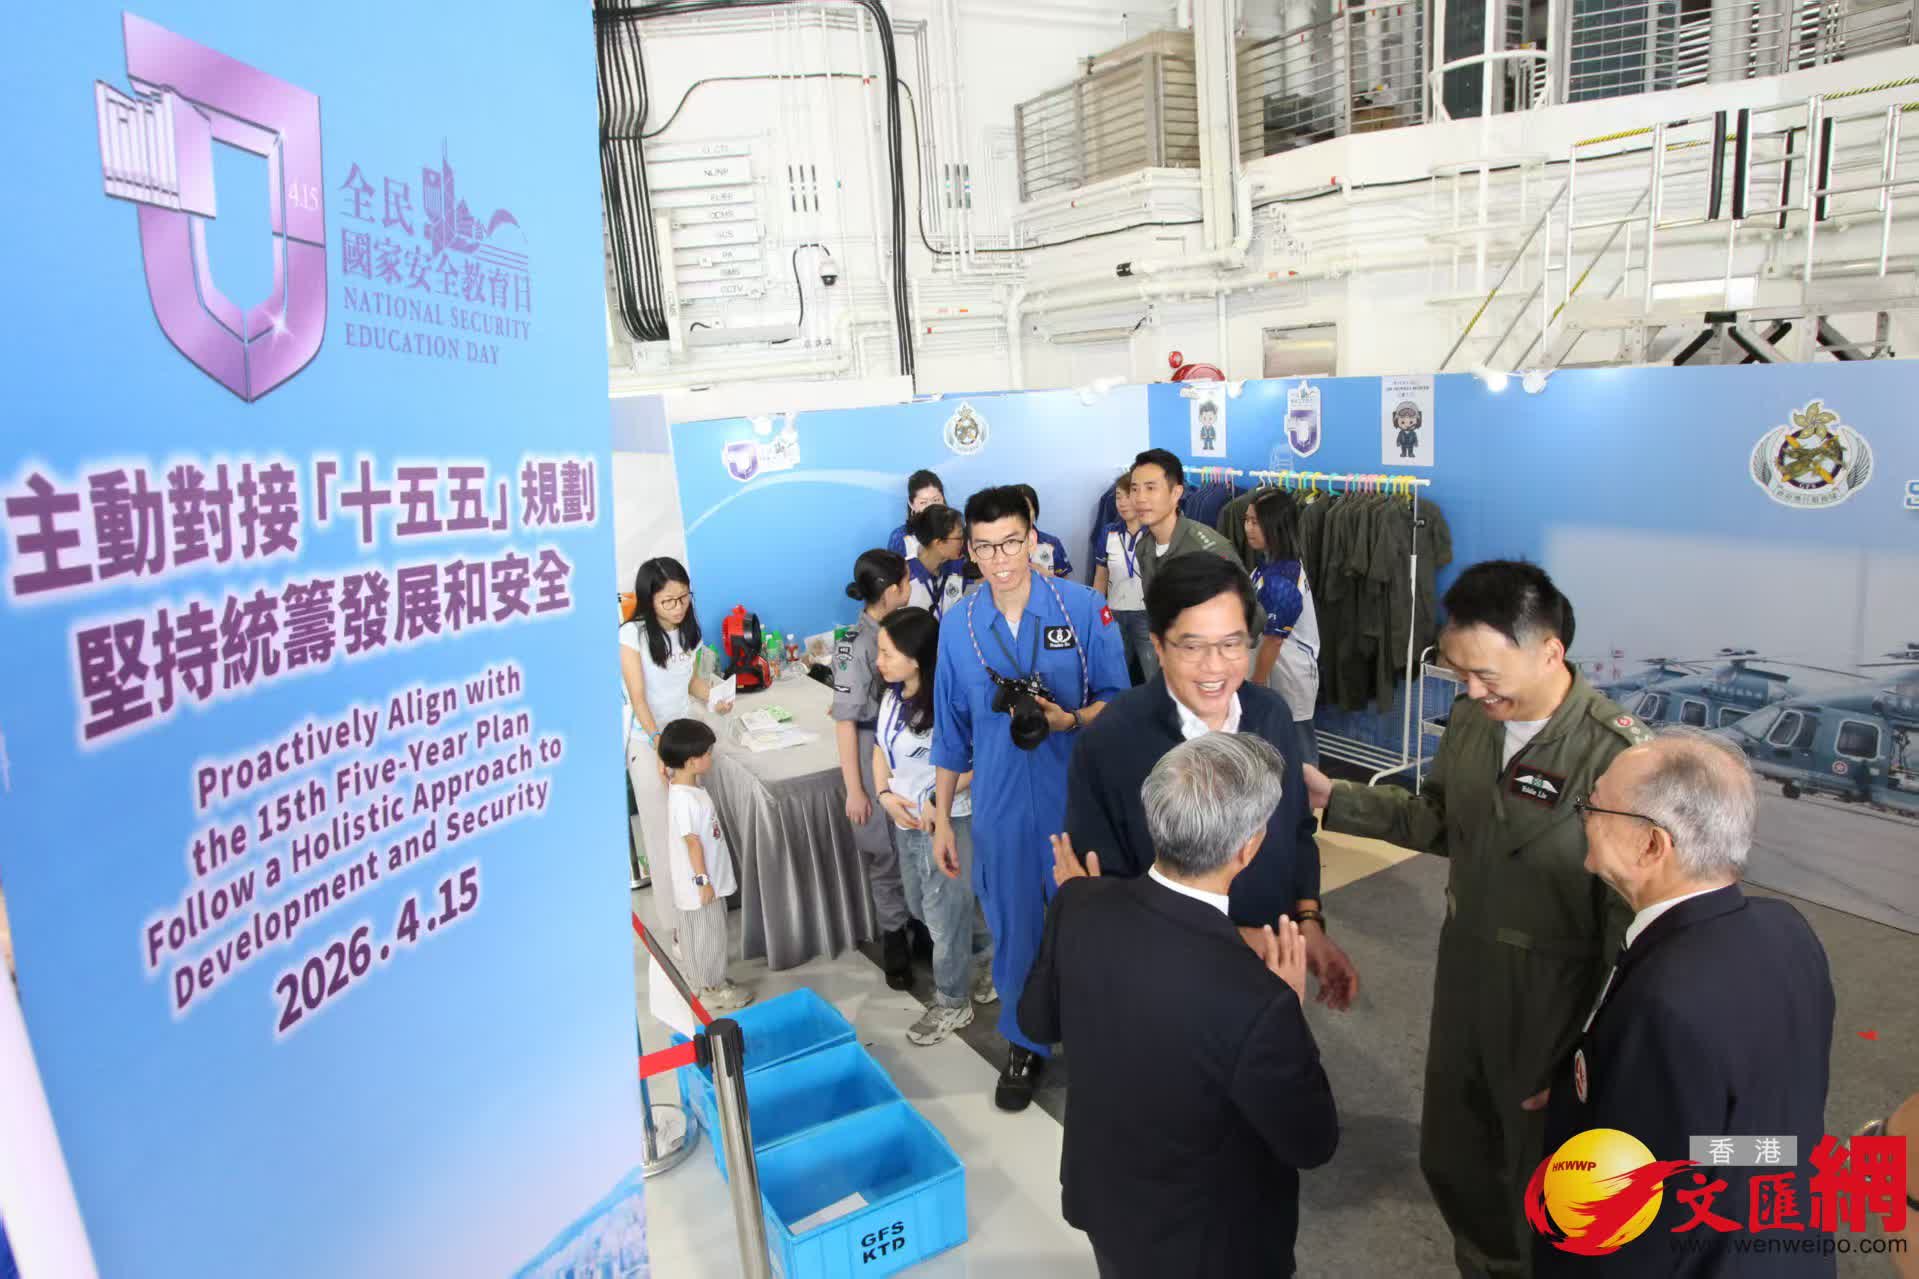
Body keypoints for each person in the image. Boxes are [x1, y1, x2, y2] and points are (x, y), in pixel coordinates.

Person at [1301, 560, 1648, 1279]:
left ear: (1549, 651)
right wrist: (1336, 798)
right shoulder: (1471, 720)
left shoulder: (1615, 757)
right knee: (1455, 1152)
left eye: (1485, 674)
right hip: (1464, 969)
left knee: (1541, 1168)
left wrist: (1595, 1052)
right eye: (1459, 673)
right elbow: (1442, 819)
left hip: (1556, 993)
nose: (1470, 691)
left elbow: (1636, 936)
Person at [1022, 733, 1339, 1278]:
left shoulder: (1078, 901)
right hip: (1212, 1246)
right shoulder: (1259, 1000)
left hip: (1106, 1204)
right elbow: (1312, 1141)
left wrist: (1080, 904)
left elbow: (1036, 1021)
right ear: (1248, 848)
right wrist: (1289, 1009)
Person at [1534, 728, 1834, 1277]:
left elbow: (1634, 1224)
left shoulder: (1663, 1005)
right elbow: (1731, 1132)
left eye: (1595, 806)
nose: (1584, 817)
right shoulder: (1788, 931)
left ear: (1652, 845)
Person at [1062, 553, 1357, 1009]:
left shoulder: (1271, 717)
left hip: (1272, 974)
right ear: (1158, 646)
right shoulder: (1111, 741)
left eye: (1231, 644)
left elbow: (1296, 833)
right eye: (1192, 647)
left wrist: (1308, 922)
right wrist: (1241, 942)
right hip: (1166, 990)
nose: (1215, 667)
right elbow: (1105, 895)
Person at [931, 485, 1128, 1110]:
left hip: (1078, 801)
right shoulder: (959, 626)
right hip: (1000, 809)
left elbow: (1121, 704)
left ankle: (1102, 1041)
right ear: (970, 550)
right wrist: (942, 820)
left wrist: (1071, 719)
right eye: (985, 547)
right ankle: (1024, 1042)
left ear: (1033, 538)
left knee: (1092, 925)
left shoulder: (1083, 609)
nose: (1000, 559)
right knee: (1013, 927)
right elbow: (949, 731)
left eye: (1011, 542)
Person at [873, 607, 992, 1044]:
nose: (879, 662)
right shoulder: (893, 695)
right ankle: (991, 954)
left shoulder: (950, 701)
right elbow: (879, 749)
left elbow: (977, 761)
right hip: (905, 820)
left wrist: (935, 802)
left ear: (917, 657)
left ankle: (953, 1002)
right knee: (924, 907)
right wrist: (884, 795)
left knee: (943, 918)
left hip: (947, 820)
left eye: (887, 653)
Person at [621, 558, 732, 908]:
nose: (679, 607)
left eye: (684, 597)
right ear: (649, 600)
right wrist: (660, 748)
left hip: (684, 737)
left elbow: (690, 682)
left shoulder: (688, 630)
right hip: (649, 740)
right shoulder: (632, 635)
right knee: (663, 833)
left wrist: (714, 697)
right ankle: (675, 923)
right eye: (668, 601)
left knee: (697, 828)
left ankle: (705, 905)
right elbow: (638, 699)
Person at [835, 549, 917, 990]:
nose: (911, 587)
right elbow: (846, 721)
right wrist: (856, 789)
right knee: (884, 852)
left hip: (912, 744)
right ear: (891, 590)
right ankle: (895, 938)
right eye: (906, 580)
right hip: (873, 748)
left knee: (916, 838)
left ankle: (921, 925)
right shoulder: (854, 644)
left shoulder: (908, 628)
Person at [1129, 449, 1259, 681]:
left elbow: (1255, 617)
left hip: (1213, 674)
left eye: (1150, 488)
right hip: (1172, 670)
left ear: (1176, 493)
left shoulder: (1206, 547)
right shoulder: (1144, 548)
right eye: (1134, 489)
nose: (1140, 498)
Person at [659, 719, 753, 1013]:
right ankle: (712, 989)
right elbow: (693, 843)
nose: (712, 757)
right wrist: (703, 881)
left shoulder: (685, 789)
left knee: (704, 934)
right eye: (708, 753)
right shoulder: (684, 800)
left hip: (703, 882)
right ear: (691, 762)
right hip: (701, 887)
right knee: (709, 936)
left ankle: (709, 981)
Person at [1244, 489, 1322, 765]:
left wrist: (1255, 685)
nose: (1248, 528)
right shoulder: (1266, 566)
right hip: (1269, 668)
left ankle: (1311, 794)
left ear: (1276, 525)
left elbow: (1274, 640)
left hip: (1288, 673)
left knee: (1299, 749)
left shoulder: (1283, 578)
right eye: (1247, 520)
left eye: (1255, 522)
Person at [1090, 472, 1149, 684]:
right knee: (1116, 675)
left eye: (1127, 496)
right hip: (1114, 613)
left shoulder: (1154, 532)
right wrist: (1097, 613)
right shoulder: (1109, 532)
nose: (1122, 503)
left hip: (1147, 615)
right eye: (1118, 497)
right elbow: (1100, 577)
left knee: (1153, 673)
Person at [905, 503, 968, 620]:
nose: (964, 542)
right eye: (959, 538)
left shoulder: (960, 567)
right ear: (939, 543)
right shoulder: (904, 577)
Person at [1014, 483, 1074, 579]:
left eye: (1027, 509)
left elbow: (1063, 583)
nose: (1022, 515)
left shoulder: (1052, 543)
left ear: (1035, 511)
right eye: (1017, 510)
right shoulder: (998, 545)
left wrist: (1047, 576)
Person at [886, 468, 945, 559]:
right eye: (923, 502)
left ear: (943, 499)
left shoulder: (956, 532)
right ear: (911, 504)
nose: (931, 507)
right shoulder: (900, 537)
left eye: (936, 500)